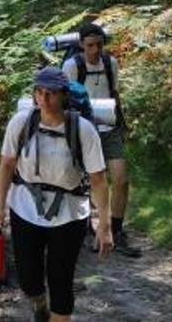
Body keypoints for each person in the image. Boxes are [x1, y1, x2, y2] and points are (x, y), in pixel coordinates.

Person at [0, 66, 113, 322]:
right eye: (39, 93)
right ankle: (39, 305)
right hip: (24, 207)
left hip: (69, 214)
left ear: (64, 96)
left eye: (51, 94)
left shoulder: (83, 130)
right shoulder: (21, 123)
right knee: (28, 279)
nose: (44, 100)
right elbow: (6, 165)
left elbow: (99, 180)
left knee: (61, 279)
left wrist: (105, 224)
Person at [62, 23, 139, 258]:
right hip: (83, 129)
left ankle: (117, 230)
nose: (94, 50)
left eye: (98, 45)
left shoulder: (110, 63)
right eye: (89, 46)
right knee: (85, 182)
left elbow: (114, 94)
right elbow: (65, 100)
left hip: (110, 127)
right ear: (81, 46)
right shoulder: (72, 66)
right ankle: (87, 229)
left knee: (121, 179)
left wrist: (122, 123)